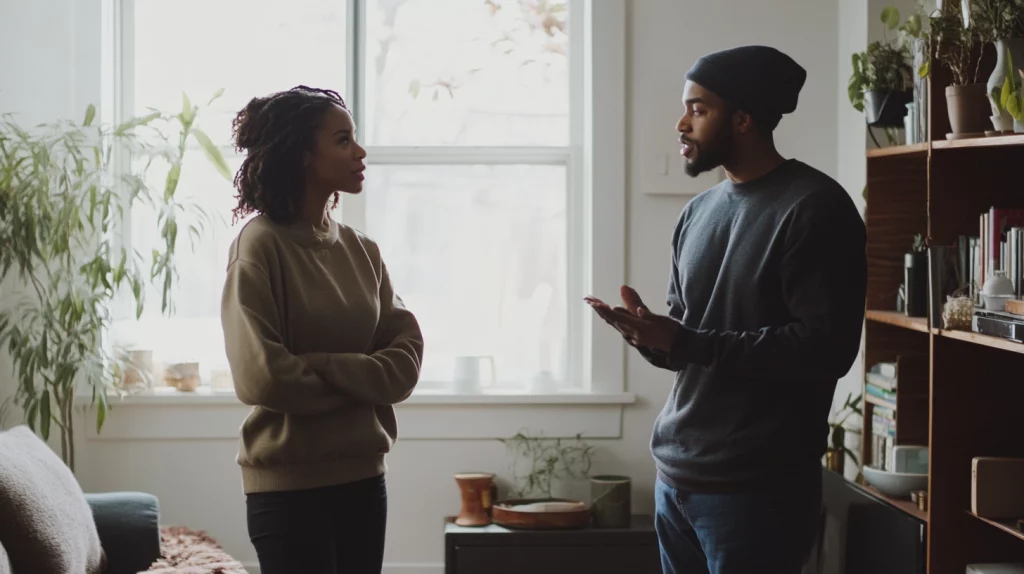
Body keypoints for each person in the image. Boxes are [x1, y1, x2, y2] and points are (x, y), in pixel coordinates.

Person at [586, 46, 867, 574]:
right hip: (676, 477)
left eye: (698, 109)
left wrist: (683, 341)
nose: (681, 123)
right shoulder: (698, 212)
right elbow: (688, 345)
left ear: (741, 119)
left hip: (759, 490)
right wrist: (650, 337)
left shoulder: (815, 208)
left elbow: (825, 348)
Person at [220, 85, 424, 574]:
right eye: (342, 140)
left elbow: (405, 362)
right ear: (304, 155)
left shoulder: (363, 250)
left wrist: (321, 367)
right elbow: (263, 380)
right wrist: (362, 385)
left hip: (363, 480)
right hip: (288, 489)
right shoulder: (260, 244)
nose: (360, 151)